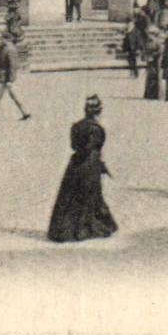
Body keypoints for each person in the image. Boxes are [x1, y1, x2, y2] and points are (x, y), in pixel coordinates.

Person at [46, 96, 118, 243]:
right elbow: (91, 147)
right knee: (92, 196)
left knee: (70, 196)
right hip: (90, 165)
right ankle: (85, 228)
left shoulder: (76, 126)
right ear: (98, 112)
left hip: (75, 165)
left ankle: (64, 229)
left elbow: (74, 146)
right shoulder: (97, 129)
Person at [0, 32, 30, 121]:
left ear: (7, 40)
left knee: (11, 95)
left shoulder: (10, 50)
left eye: (3, 38)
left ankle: (25, 111)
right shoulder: (2, 48)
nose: (1, 40)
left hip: (6, 77)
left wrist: (10, 79)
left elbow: (13, 66)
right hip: (2, 77)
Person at [141, 24, 163, 100]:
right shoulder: (147, 42)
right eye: (148, 33)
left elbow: (160, 51)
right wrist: (145, 56)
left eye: (150, 33)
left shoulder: (157, 42)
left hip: (156, 62)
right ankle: (149, 94)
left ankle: (156, 95)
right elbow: (144, 50)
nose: (149, 35)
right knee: (149, 78)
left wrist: (153, 55)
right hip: (149, 61)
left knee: (155, 77)